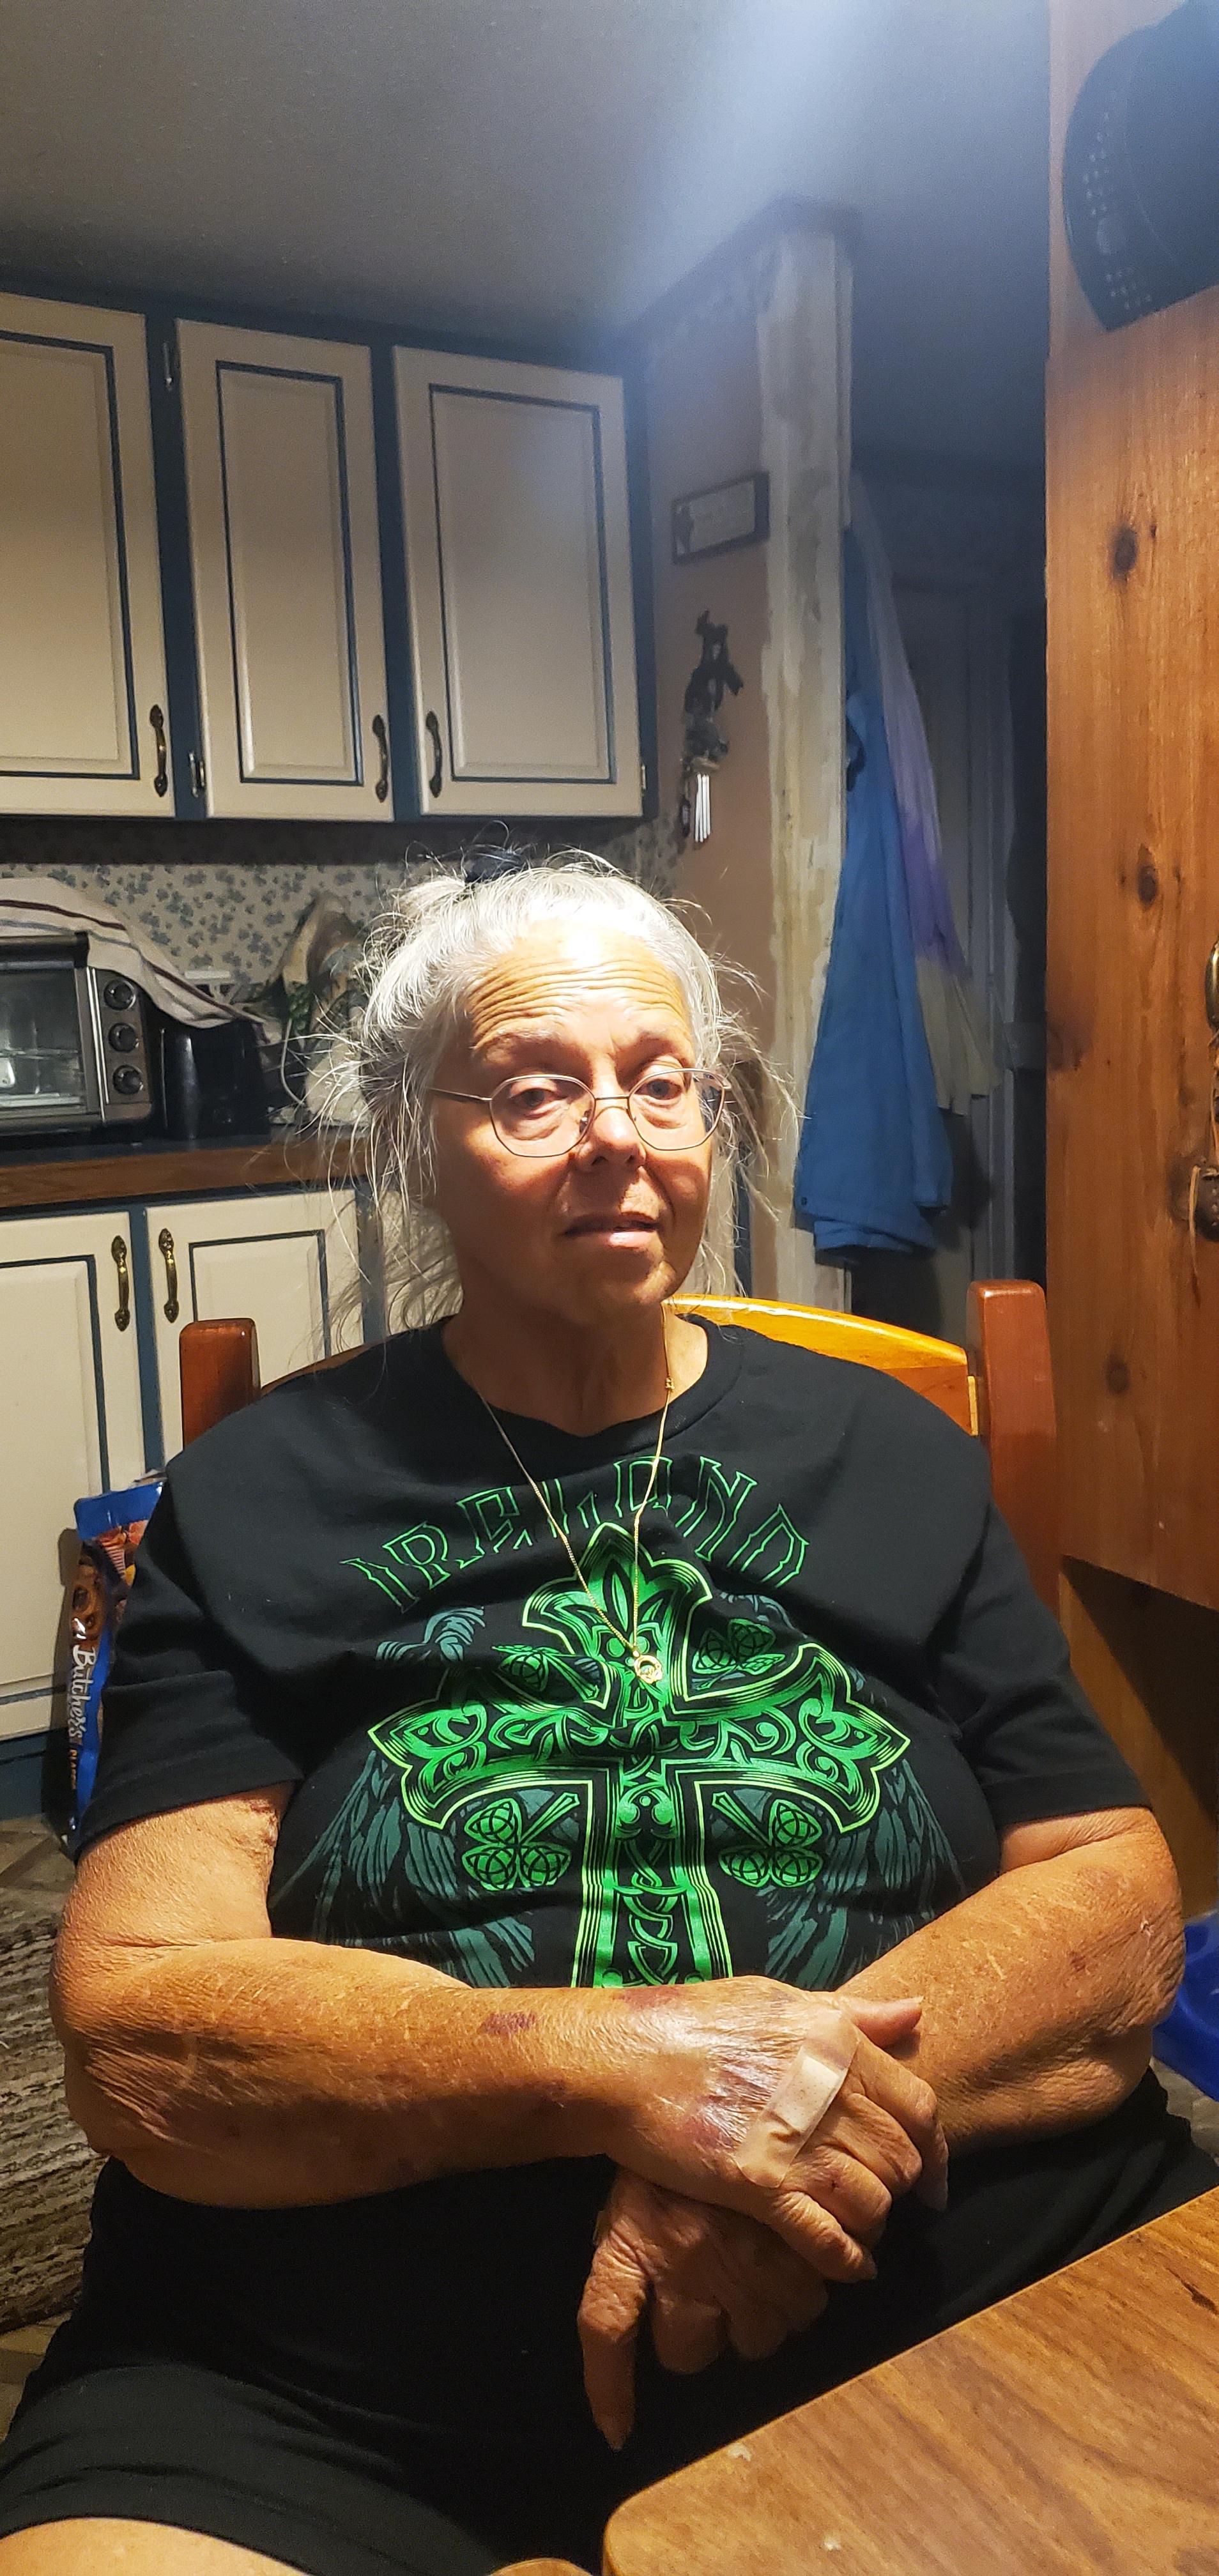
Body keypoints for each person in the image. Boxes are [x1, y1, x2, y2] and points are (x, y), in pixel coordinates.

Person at [0, 852, 1209, 2576]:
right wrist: (632, 2074)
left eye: (661, 1083)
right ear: (416, 1137)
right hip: (331, 2377)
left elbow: (1112, 1900)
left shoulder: (888, 1464)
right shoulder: (260, 1489)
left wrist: (784, 2135)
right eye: (535, 1089)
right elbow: (142, 2028)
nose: (617, 1135)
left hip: (948, 2272)